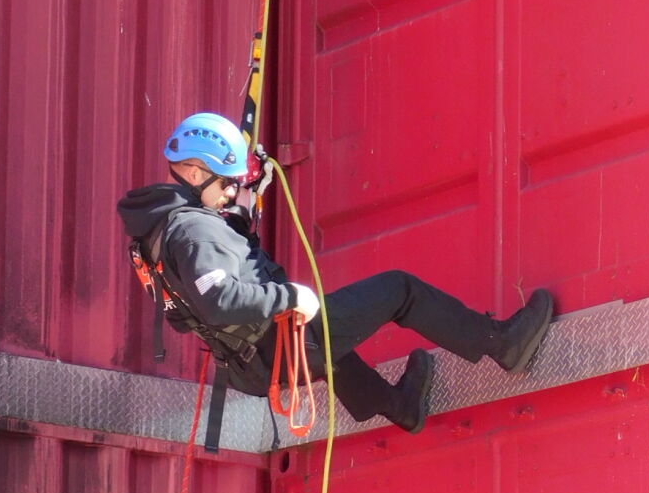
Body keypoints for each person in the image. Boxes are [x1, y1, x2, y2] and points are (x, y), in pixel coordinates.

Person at [118, 111, 553, 432]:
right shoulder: (194, 230)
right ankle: (503, 345)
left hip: (251, 364)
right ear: (195, 171)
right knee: (398, 290)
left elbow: (186, 310)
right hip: (280, 344)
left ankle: (400, 407)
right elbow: (219, 302)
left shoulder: (160, 233)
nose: (234, 192)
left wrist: (236, 223)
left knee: (334, 343)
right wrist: (290, 297)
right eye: (228, 183)